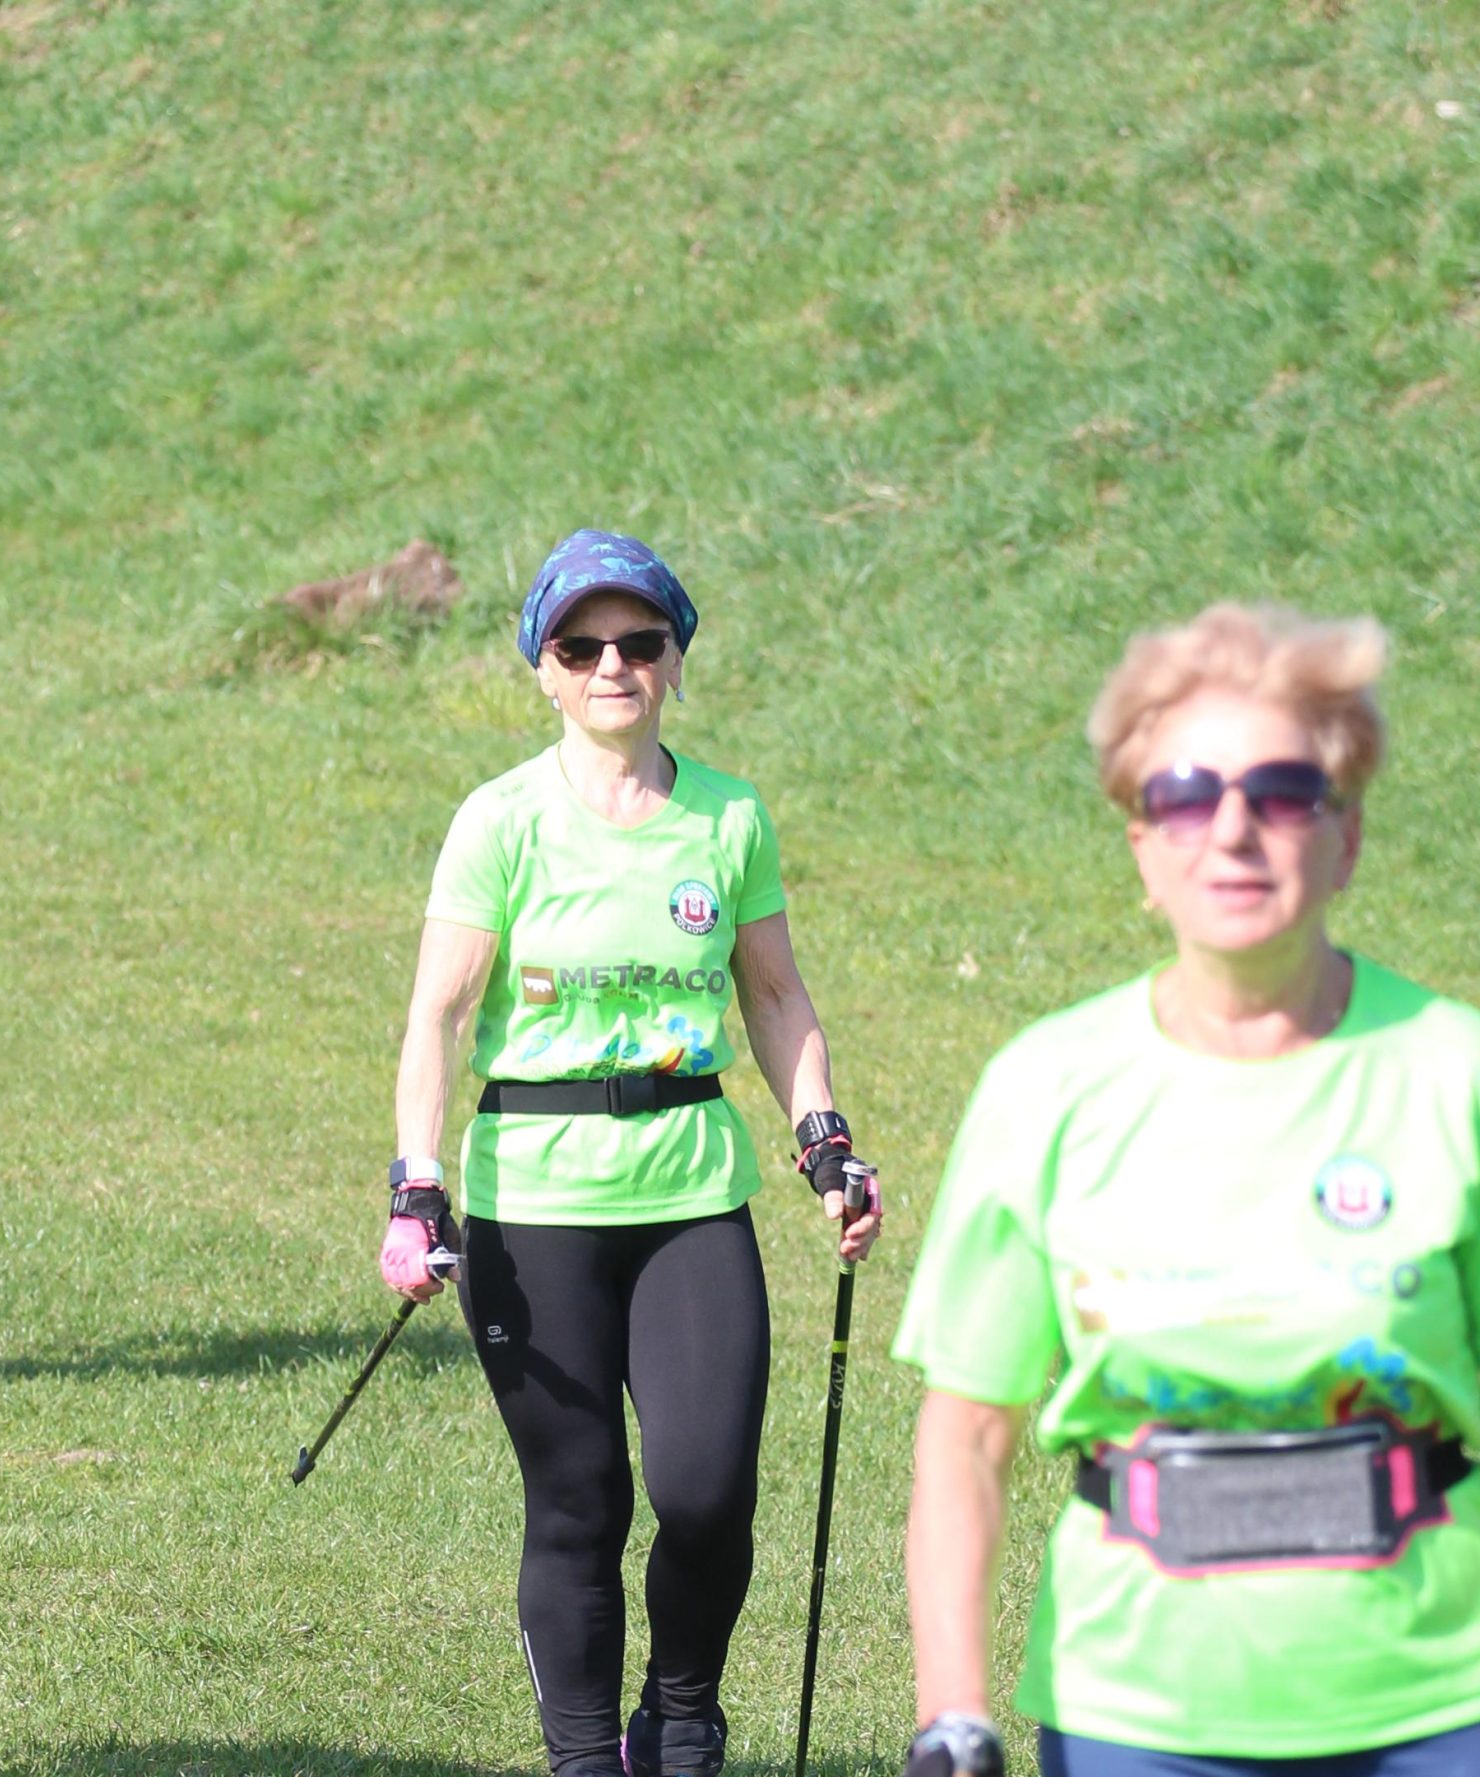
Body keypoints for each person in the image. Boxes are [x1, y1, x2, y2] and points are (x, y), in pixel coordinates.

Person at [893, 604, 1480, 1777]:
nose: (1232, 830)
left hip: (1441, 1705)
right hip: (1138, 1713)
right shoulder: (1045, 1089)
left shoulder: (1459, 1070)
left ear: (1344, 838)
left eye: (1284, 791)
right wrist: (952, 1708)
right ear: (1140, 846)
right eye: (1186, 796)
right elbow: (966, 1434)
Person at [384, 528, 883, 1777]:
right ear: (542, 670)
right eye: (580, 645)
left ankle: (682, 1712)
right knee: (579, 1500)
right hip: (531, 1200)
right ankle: (581, 1756)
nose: (612, 663)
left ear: (672, 659)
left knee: (708, 1493)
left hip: (692, 1195)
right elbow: (440, 1014)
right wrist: (416, 1182)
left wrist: (824, 1140)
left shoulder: (728, 816)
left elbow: (773, 998)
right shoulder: (500, 820)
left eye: (637, 641)